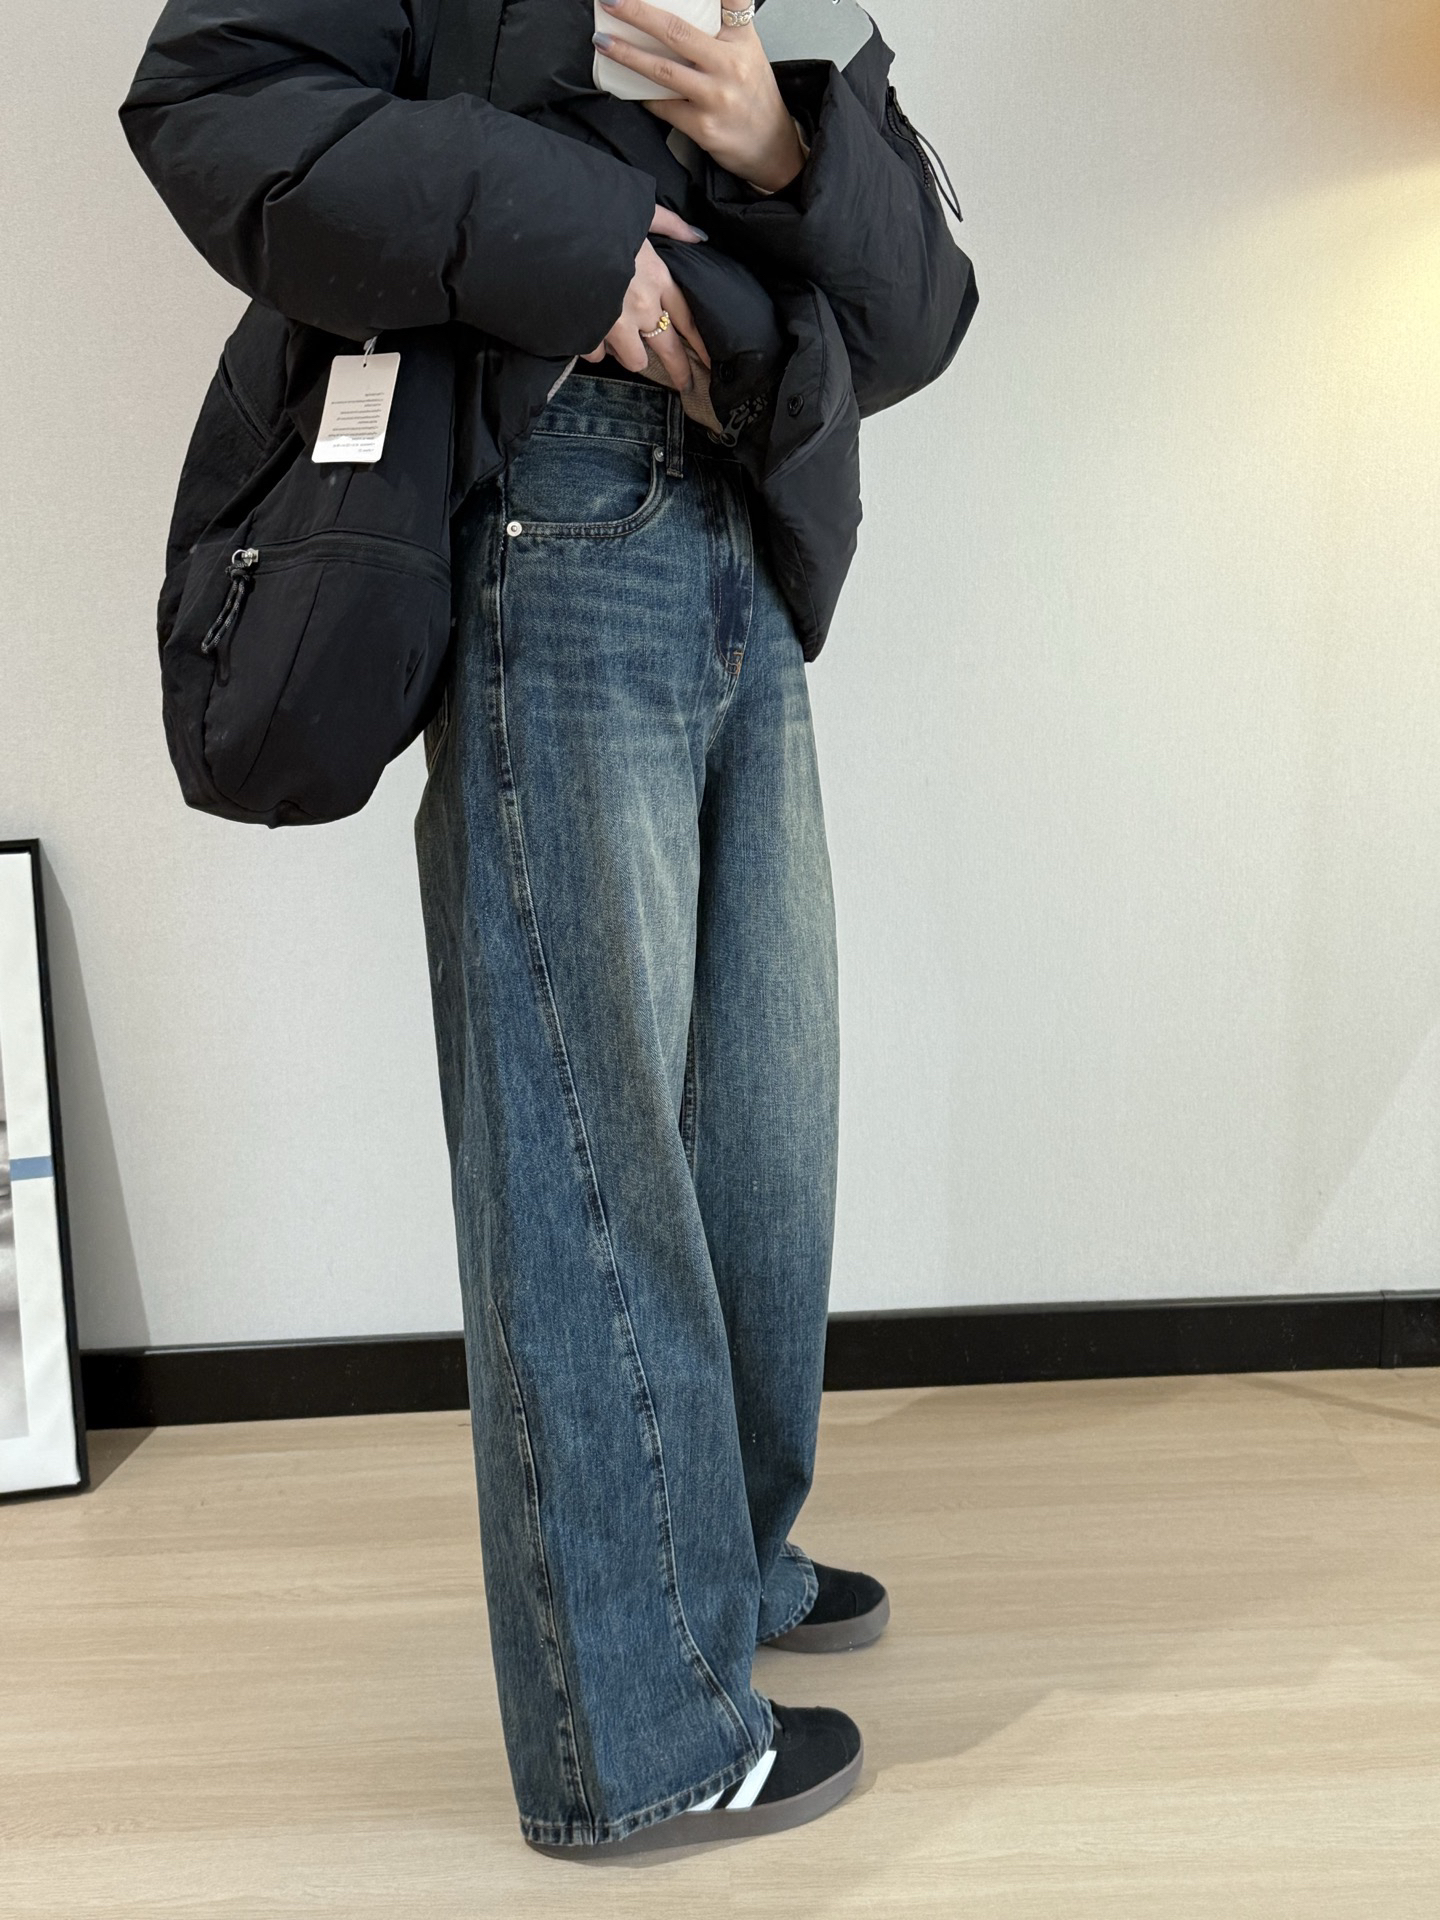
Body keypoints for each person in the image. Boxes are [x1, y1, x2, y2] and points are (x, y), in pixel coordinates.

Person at [121, 0, 976, 1859]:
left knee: (760, 1122)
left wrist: (780, 142)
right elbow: (212, 103)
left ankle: (726, 1566)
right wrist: (574, 248)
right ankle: (639, 1739)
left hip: (750, 516)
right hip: (552, 507)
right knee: (586, 1134)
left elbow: (923, 319)